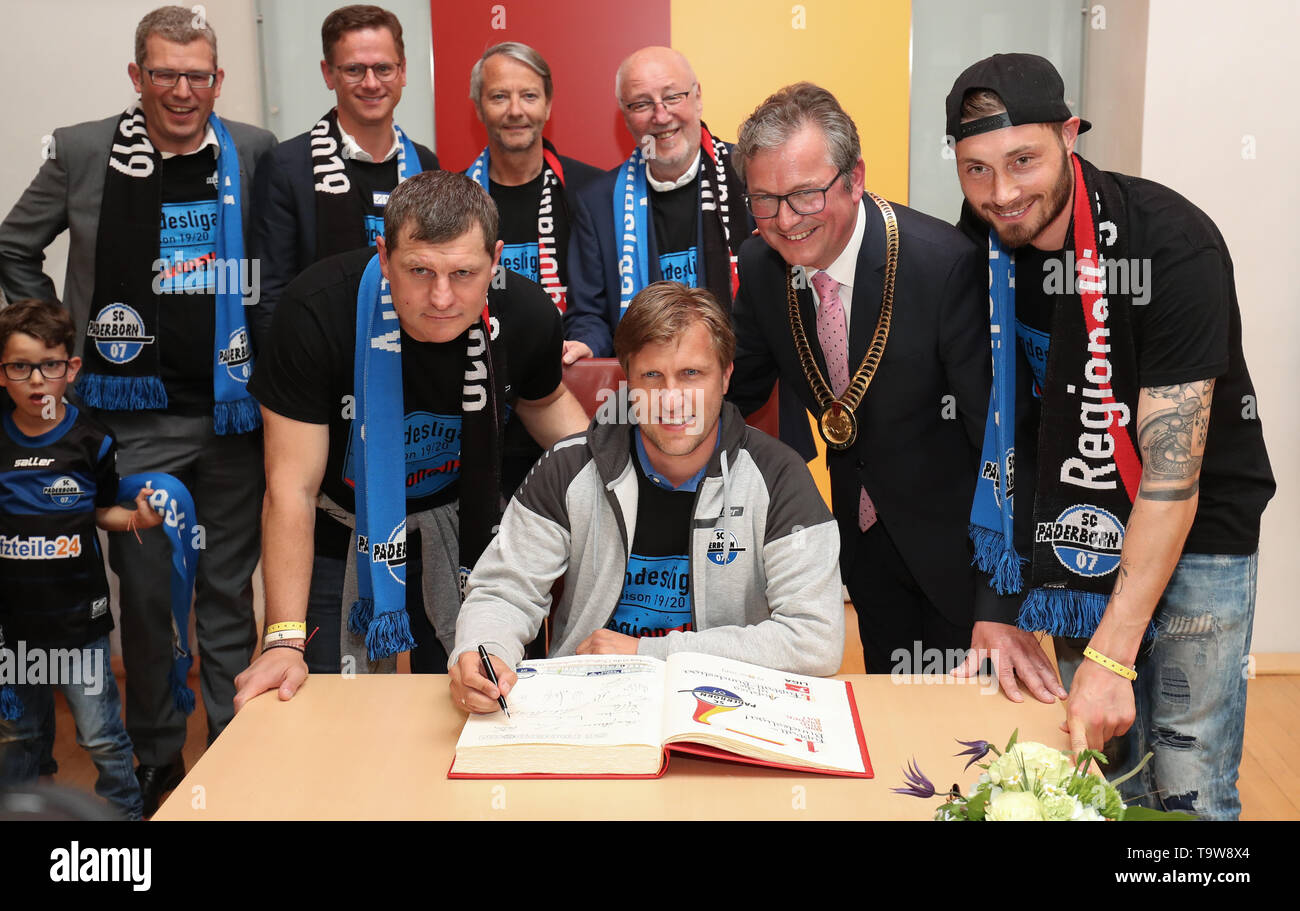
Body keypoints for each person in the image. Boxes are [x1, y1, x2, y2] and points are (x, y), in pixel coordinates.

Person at [946, 53, 1274, 819]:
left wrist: (1109, 654)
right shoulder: (988, 238)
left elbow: (1171, 481)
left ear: (1070, 135)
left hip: (1193, 527)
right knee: (1095, 764)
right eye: (976, 170)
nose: (1002, 193)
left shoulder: (1170, 246)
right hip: (1076, 520)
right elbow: (1007, 422)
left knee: (1184, 770)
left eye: (1022, 160)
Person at [0, 6, 276, 816]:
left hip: (234, 417)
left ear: (217, 81)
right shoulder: (84, 150)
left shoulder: (254, 151)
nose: (181, 90)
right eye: (164, 73)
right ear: (136, 76)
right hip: (131, 427)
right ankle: (160, 759)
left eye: (197, 75)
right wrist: (54, 337)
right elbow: (15, 244)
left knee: (228, 595)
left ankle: (237, 750)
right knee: (149, 601)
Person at [728, 82, 1060, 695]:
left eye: (804, 194)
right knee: (898, 752)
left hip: (964, 562)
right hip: (865, 556)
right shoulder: (759, 263)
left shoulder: (945, 265)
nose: (786, 221)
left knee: (973, 753)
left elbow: (1004, 441)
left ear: (854, 178)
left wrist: (999, 606)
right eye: (765, 200)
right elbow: (737, 391)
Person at [235, 171, 588, 705]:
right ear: (383, 253)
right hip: (343, 531)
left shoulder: (525, 313)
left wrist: (615, 483)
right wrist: (282, 640)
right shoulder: (316, 311)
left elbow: (549, 408)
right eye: (419, 270)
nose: (441, 297)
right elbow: (291, 489)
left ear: (495, 259)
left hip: (465, 528)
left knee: (471, 706)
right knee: (328, 708)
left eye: (463, 273)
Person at [450, 281, 844, 711]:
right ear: (627, 380)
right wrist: (483, 651)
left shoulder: (781, 477)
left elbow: (815, 639)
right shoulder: (566, 468)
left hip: (726, 704)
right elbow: (505, 592)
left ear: (727, 375)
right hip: (585, 701)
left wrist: (648, 655)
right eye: (652, 376)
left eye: (692, 374)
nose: (672, 399)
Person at [0, 300, 164, 820]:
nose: (35, 380)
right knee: (17, 733)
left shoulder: (92, 440)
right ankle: (22, 809)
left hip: (79, 622)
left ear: (70, 368)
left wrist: (137, 518)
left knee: (100, 736)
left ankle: (125, 820)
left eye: (49, 365)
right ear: (1, 374)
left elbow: (101, 512)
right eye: (19, 366)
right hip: (13, 627)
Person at [249, 4, 439, 343]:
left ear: (403, 71)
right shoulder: (286, 166)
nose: (371, 83)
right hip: (321, 367)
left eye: (383, 68)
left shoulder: (425, 165)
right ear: (328, 73)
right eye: (354, 69)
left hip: (414, 364)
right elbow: (268, 294)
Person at [464, 41, 603, 494]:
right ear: (479, 106)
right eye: (499, 96)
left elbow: (607, 298)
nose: (515, 111)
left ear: (548, 104)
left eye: (528, 95)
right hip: (483, 409)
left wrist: (587, 341)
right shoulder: (457, 200)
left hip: (568, 395)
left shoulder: (596, 190)